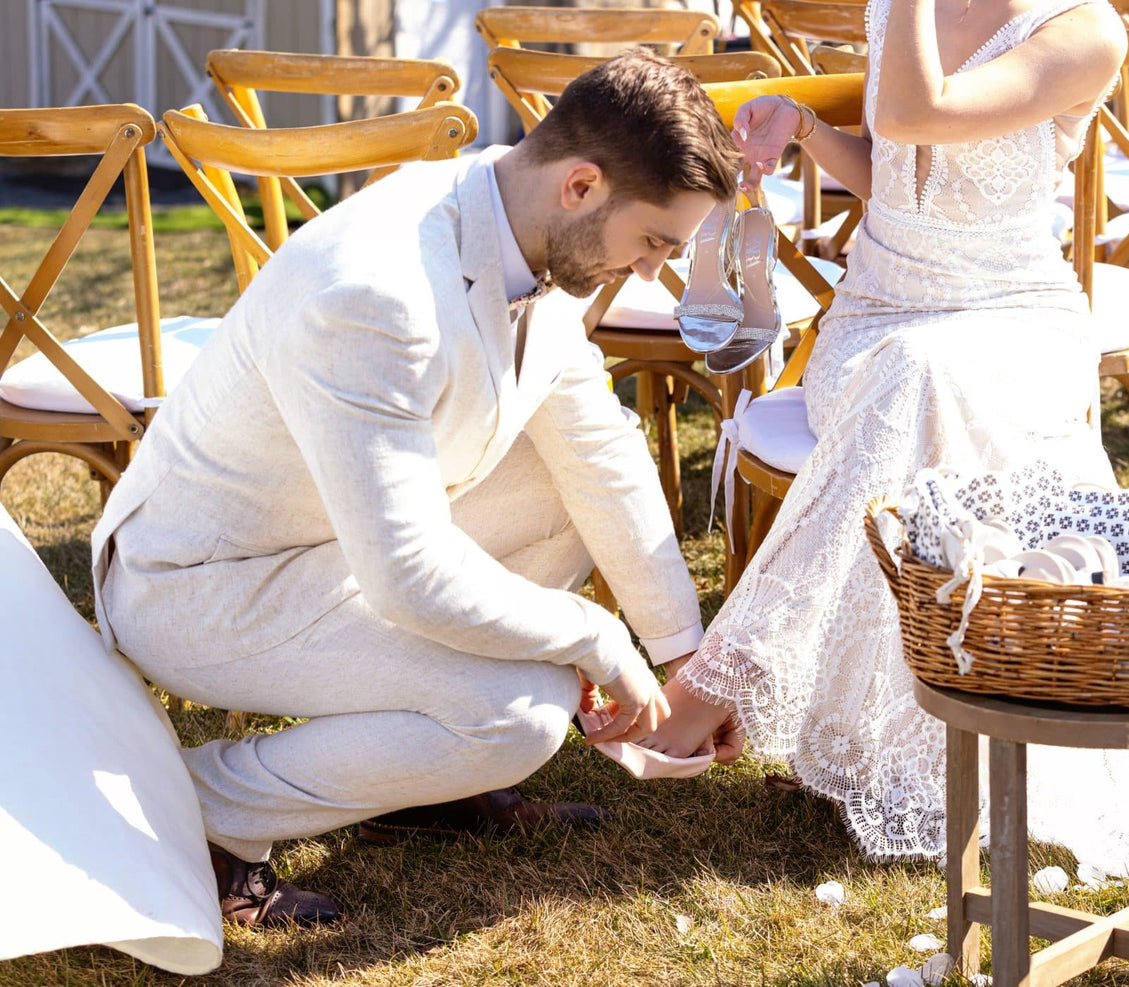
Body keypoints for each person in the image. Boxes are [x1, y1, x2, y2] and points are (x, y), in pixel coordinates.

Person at [90, 50, 742, 926]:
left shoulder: (526, 219)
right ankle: (204, 808)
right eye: (656, 241)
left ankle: (428, 785)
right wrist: (591, 635)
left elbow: (600, 453)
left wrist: (679, 656)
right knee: (518, 714)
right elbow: (406, 574)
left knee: (568, 474)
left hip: (333, 540)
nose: (654, 270)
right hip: (208, 584)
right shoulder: (375, 290)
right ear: (581, 186)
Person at [639, 0, 1128, 857]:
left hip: (1012, 321)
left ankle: (722, 680)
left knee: (926, 379)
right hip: (872, 319)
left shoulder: (1084, 30)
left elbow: (914, 112)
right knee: (914, 374)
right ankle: (806, 706)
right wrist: (804, 129)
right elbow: (895, 168)